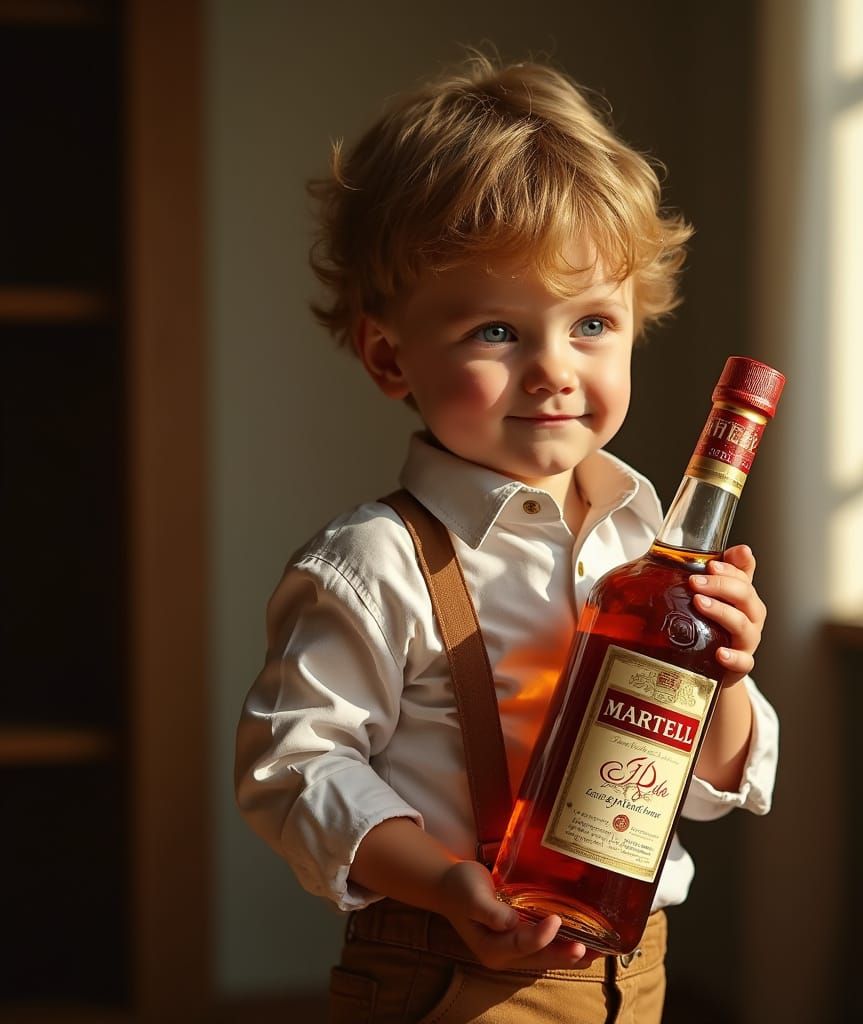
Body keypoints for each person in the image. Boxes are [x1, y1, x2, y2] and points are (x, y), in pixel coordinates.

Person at [235, 54, 778, 1024]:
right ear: (388, 354)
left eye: (592, 324)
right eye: (497, 330)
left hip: (632, 969)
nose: (552, 372)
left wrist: (727, 679)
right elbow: (294, 771)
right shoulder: (373, 561)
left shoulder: (649, 537)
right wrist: (446, 882)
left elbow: (704, 789)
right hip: (444, 973)